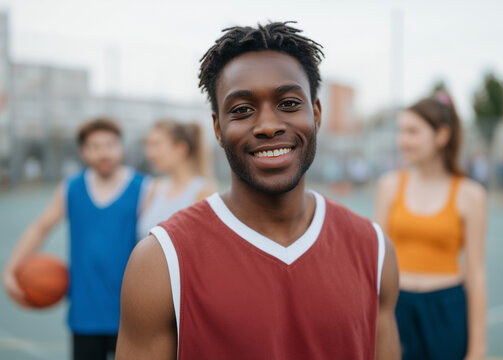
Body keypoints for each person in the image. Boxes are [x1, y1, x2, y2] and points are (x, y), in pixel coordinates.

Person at [116, 21, 400, 359]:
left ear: (317, 114)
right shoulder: (160, 261)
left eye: (289, 103)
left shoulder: (373, 249)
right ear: (218, 129)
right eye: (242, 110)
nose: (268, 125)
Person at [2, 117, 146, 360]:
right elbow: (40, 228)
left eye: (109, 145)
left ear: (120, 147)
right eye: (94, 146)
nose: (103, 152)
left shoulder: (144, 188)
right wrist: (10, 270)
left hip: (133, 313)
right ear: (83, 152)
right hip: (85, 311)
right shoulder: (71, 188)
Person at [375, 92, 487, 359]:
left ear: (442, 136)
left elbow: (475, 274)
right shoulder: (389, 186)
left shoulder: (471, 195)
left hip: (446, 309)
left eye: (413, 131)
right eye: (401, 131)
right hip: (397, 309)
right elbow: (376, 261)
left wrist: (478, 349)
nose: (403, 140)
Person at [137, 120, 215, 241]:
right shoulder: (152, 187)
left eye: (156, 145)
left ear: (180, 148)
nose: (150, 153)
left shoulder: (203, 193)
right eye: (148, 145)